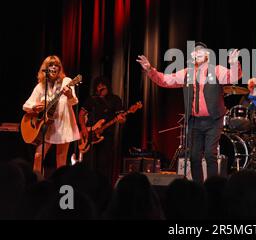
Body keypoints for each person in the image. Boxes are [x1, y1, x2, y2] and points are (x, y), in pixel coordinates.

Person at [137, 42, 242, 183]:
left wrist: (234, 63)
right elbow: (165, 80)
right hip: (194, 120)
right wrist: (150, 70)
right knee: (193, 156)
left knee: (211, 155)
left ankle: (212, 189)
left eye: (201, 51)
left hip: (213, 119)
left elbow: (233, 77)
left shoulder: (216, 70)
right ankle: (198, 189)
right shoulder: (187, 73)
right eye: (195, 51)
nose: (197, 53)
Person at [23, 55, 81, 174]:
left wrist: (69, 94)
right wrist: (34, 107)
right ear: (46, 69)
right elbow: (26, 105)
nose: (54, 67)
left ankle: (61, 188)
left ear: (60, 68)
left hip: (64, 125)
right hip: (46, 126)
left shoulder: (67, 81)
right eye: (51, 65)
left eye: (56, 65)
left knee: (61, 159)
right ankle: (37, 183)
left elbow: (74, 101)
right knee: (38, 156)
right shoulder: (41, 86)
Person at [78, 76, 126, 183]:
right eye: (98, 86)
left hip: (107, 136)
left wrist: (121, 118)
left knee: (104, 165)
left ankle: (103, 188)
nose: (100, 88)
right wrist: (84, 129)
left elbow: (122, 119)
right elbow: (81, 115)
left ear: (107, 87)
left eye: (102, 86)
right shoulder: (92, 99)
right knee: (88, 164)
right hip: (90, 135)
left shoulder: (115, 99)